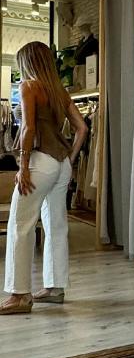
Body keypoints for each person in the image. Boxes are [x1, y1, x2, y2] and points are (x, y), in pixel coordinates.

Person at [0, 41, 88, 314]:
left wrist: (23, 166)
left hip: (41, 161)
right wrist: (69, 159)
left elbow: (28, 128)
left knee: (20, 224)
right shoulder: (59, 91)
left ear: (27, 62)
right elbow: (82, 128)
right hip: (61, 163)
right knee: (56, 224)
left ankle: (20, 295)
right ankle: (55, 287)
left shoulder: (29, 86)